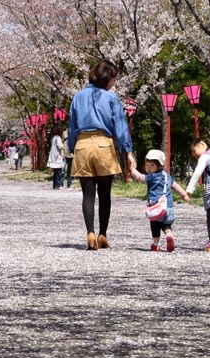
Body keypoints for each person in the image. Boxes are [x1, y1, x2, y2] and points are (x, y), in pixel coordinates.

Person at [68, 59, 135, 250]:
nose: (114, 82)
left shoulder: (77, 97)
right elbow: (120, 126)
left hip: (82, 144)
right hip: (103, 145)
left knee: (87, 194)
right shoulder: (111, 98)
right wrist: (127, 151)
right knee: (104, 194)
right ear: (107, 77)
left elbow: (72, 126)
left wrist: (73, 147)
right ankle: (102, 235)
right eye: (113, 78)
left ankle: (90, 233)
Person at [129, 150, 189, 251]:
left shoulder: (152, 177)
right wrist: (184, 194)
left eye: (152, 165)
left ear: (159, 166)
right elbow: (175, 186)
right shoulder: (167, 175)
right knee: (166, 224)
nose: (149, 168)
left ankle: (156, 244)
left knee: (155, 224)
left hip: (156, 207)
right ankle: (169, 234)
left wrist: (132, 170)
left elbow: (140, 177)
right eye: (147, 164)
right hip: (168, 207)